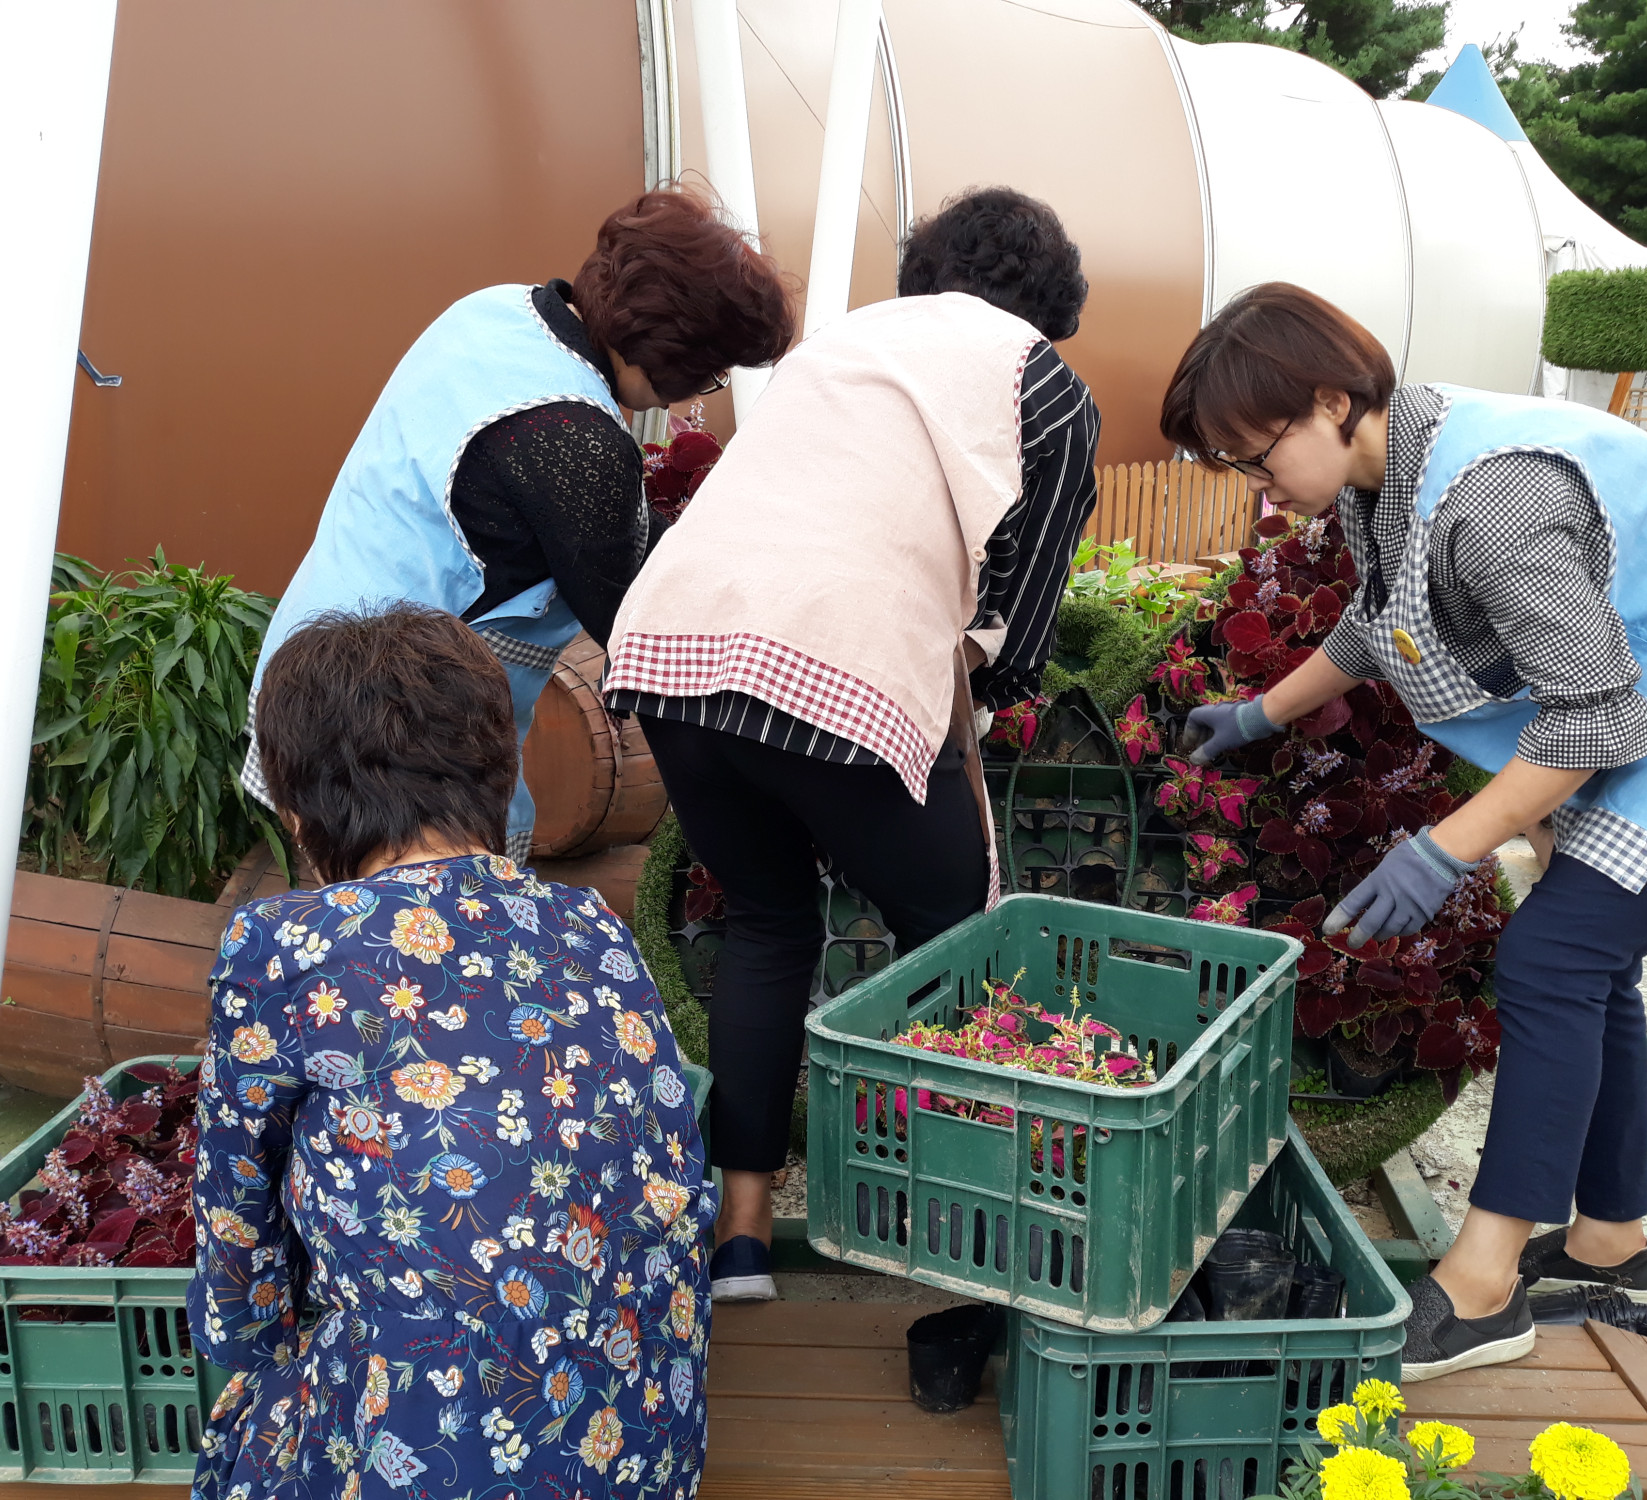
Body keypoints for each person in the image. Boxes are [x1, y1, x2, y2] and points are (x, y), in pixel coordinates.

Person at [1164, 283, 1647, 1380]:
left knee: (1550, 955)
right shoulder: (1389, 467)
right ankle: (1608, 1247)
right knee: (1592, 962)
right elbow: (1378, 617)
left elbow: (1594, 719)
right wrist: (1261, 713)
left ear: (1330, 401)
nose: (1253, 484)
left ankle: (1481, 1289)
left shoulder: (1493, 500)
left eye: (1254, 458)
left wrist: (1443, 844)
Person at [603, 187, 1101, 1302]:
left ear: (925, 269)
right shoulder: (1042, 381)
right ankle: (962, 1240)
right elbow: (1016, 639)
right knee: (959, 941)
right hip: (834, 662)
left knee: (769, 923)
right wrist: (969, 708)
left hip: (671, 647)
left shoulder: (840, 347)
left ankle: (740, 1234)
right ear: (1049, 308)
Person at [190, 605, 714, 1500]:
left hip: (437, 1449)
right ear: (501, 768)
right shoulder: (591, 924)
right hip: (645, 1433)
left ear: (297, 811)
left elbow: (235, 1229)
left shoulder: (288, 947)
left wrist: (252, 1378)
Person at [241, 189, 797, 861]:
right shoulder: (571, 440)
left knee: (350, 934)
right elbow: (644, 632)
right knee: (429, 944)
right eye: (706, 372)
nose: (689, 396)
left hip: (308, 671)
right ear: (666, 340)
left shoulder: (495, 312)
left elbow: (611, 532)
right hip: (391, 736)